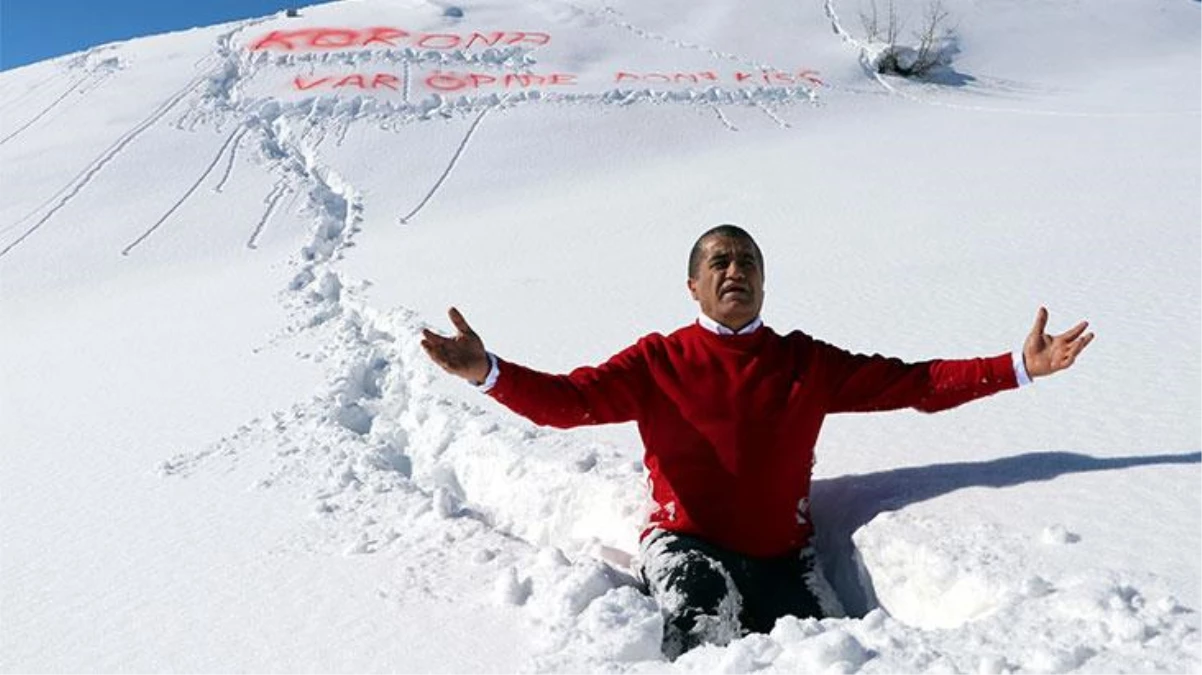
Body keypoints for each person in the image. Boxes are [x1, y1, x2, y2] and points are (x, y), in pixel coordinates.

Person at [420, 224, 1094, 659]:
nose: (733, 269)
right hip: (684, 543)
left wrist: (1017, 368)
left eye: (746, 260)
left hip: (785, 557)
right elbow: (568, 404)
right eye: (718, 260)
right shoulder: (658, 360)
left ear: (764, 282)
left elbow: (914, 383)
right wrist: (487, 371)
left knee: (831, 650)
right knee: (703, 616)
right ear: (693, 285)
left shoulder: (806, 361)